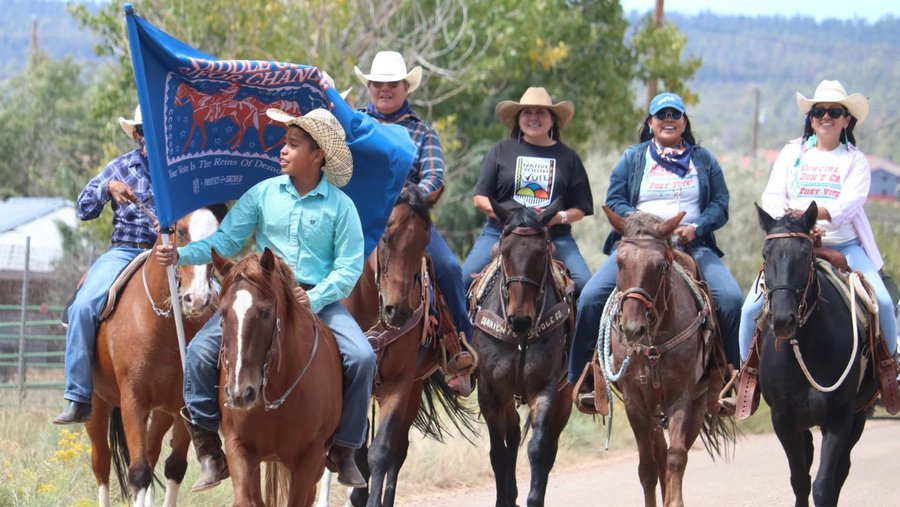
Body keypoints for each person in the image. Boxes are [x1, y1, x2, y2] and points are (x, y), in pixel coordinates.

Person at [155, 108, 373, 490]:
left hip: (314, 298)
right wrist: (181, 255)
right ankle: (208, 447)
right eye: (284, 144)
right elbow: (224, 243)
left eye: (292, 145)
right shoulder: (263, 194)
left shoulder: (341, 207)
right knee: (199, 353)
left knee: (362, 357)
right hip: (259, 293)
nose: (283, 152)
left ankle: (345, 448)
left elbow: (349, 267)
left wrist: (317, 296)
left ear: (318, 155)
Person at [568, 92, 743, 404]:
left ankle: (731, 377)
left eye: (675, 115)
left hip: (691, 244)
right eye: (662, 115)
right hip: (641, 244)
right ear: (650, 123)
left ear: (684, 122)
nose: (669, 120)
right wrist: (645, 225)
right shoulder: (633, 158)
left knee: (730, 299)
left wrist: (697, 226)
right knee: (592, 297)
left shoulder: (703, 160)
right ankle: (584, 378)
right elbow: (615, 201)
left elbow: (720, 204)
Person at [739, 80, 897, 360]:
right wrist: (794, 226)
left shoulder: (856, 161)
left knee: (883, 302)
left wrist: (813, 215)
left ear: (846, 120)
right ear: (810, 120)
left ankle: (890, 368)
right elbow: (772, 195)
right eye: (819, 112)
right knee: (749, 309)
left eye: (834, 112)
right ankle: (745, 377)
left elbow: (848, 205)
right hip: (793, 245)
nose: (826, 117)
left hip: (845, 246)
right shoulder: (791, 153)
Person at [354, 50, 475, 384]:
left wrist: (407, 200)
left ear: (406, 88)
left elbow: (434, 177)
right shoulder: (355, 124)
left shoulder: (422, 132)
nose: (385, 89)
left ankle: (458, 345)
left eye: (392, 84)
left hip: (406, 220)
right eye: (378, 83)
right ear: (369, 87)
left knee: (449, 268)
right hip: (359, 215)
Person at [54, 106, 157, 425]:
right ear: (137, 135)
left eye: (153, 130)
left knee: (222, 300)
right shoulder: (120, 167)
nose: (147, 137)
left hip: (170, 253)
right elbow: (83, 207)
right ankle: (78, 395)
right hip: (125, 251)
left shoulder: (177, 170)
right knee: (83, 306)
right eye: (142, 131)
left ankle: (212, 401)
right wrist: (106, 188)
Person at [462, 86, 593, 297]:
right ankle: (461, 330)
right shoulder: (500, 151)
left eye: (540, 112)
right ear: (518, 119)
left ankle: (579, 331)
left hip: (554, 235)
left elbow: (580, 207)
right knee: (464, 277)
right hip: (501, 232)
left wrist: (557, 217)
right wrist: (511, 218)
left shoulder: (568, 158)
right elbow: (479, 198)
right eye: (527, 112)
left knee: (585, 286)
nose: (533, 118)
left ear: (552, 119)